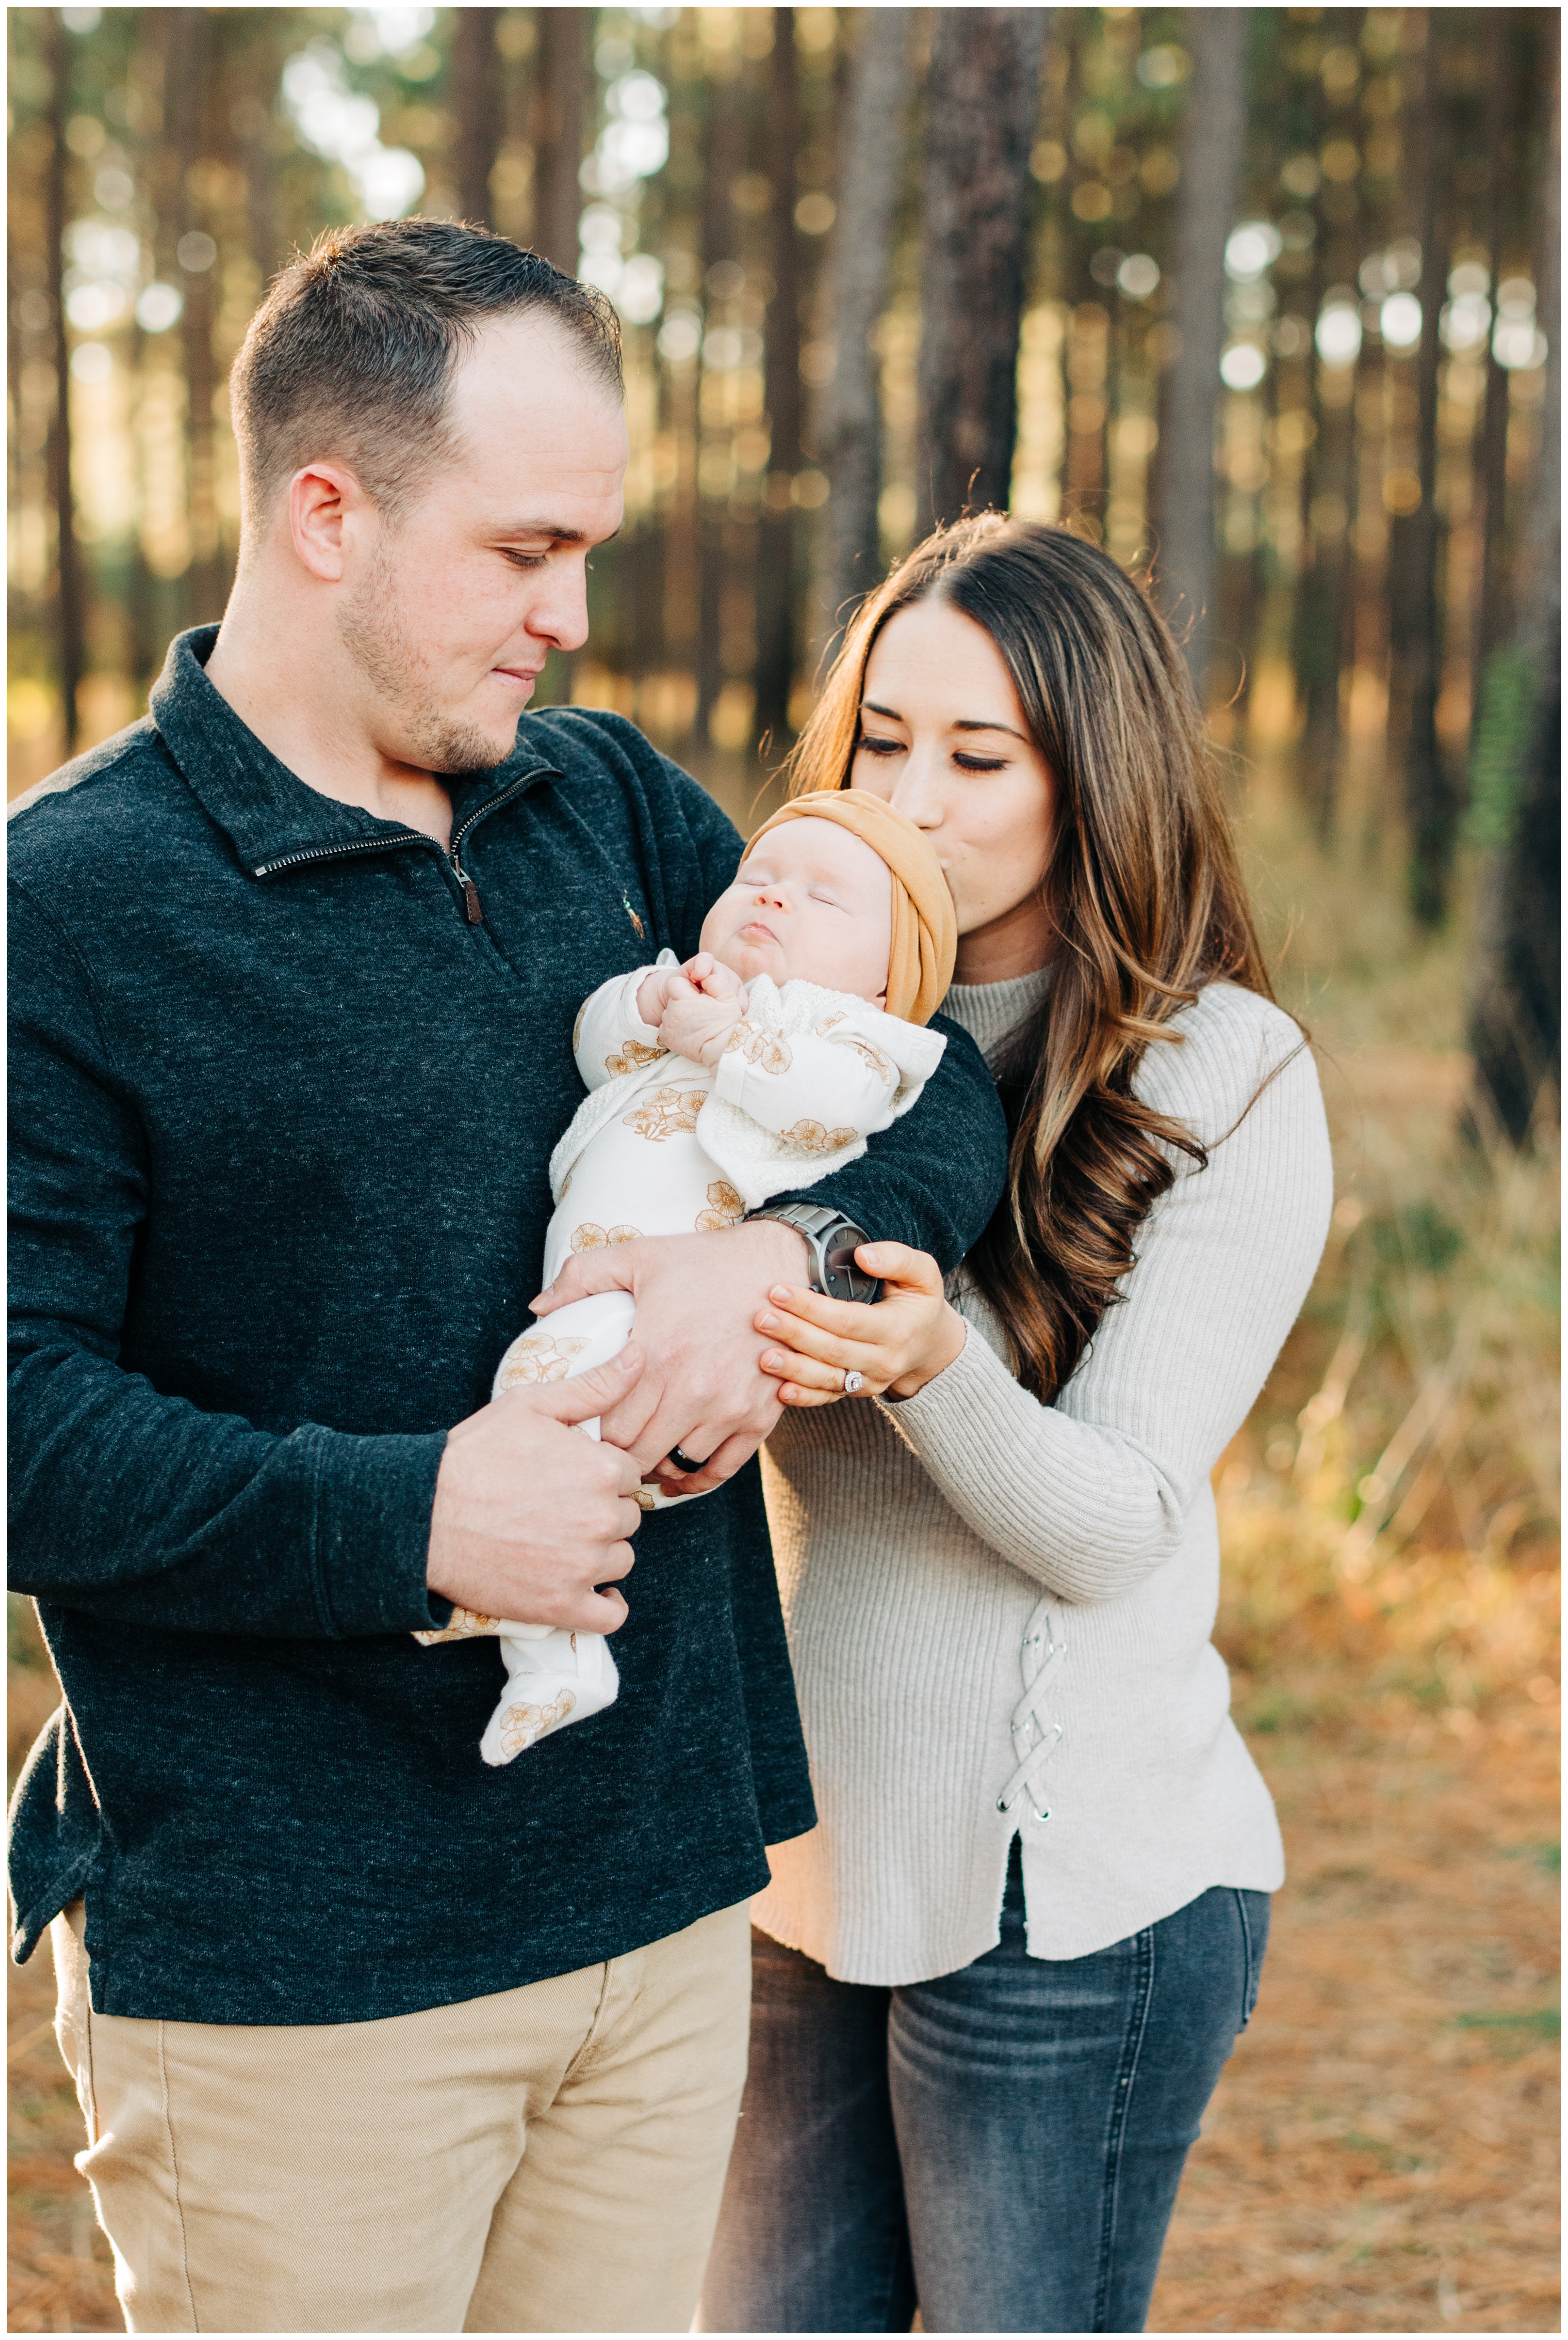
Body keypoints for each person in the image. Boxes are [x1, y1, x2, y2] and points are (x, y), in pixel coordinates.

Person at [6, 222, 1007, 2336]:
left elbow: (922, 1092)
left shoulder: (608, 803)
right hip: (302, 1992)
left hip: (655, 1922)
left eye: (592, 549)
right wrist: (413, 1518)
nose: (572, 613)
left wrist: (774, 1256)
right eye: (527, 548)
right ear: (329, 512)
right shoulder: (67, 908)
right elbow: (22, 1423)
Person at [696, 516, 1335, 2336]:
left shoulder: (1219, 1077)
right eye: (878, 740)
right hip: (799, 1864)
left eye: (977, 758)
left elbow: (1109, 1524)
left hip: (1067, 1894)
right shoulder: (780, 1028)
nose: (913, 795)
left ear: (1091, 775)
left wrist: (928, 1365)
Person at [421, 791, 957, 1769]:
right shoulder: (700, 989)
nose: (776, 900)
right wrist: (648, 1004)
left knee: (532, 1419)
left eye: (822, 899)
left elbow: (822, 1101)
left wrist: (725, 1040)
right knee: (549, 1432)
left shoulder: (860, 1038)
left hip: (665, 1322)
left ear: (891, 980)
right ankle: (542, 1628)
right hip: (606, 1300)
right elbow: (597, 1050)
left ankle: (541, 1634)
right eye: (758, 878)